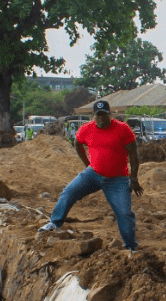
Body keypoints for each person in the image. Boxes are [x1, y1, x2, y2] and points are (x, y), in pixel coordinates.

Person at [39, 100, 143, 251]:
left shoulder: (123, 129)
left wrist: (134, 179)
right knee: (68, 192)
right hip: (93, 174)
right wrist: (87, 164)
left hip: (117, 179)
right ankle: (54, 223)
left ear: (109, 115)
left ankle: (131, 247)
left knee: (124, 213)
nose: (101, 118)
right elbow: (77, 143)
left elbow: (133, 155)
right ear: (93, 116)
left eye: (104, 115)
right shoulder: (86, 129)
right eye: (98, 115)